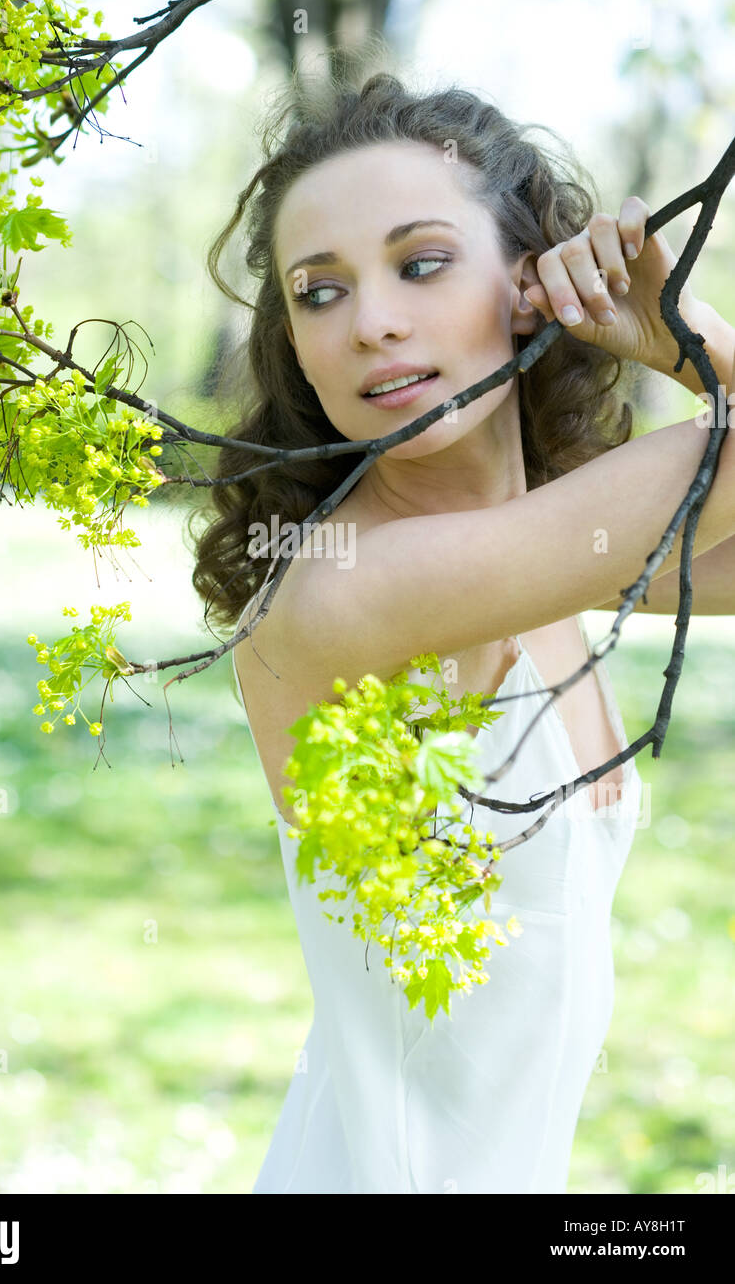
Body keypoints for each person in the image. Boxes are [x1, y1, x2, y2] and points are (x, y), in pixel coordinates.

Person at [189, 65, 735, 1193]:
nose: (372, 321)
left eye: (421, 263)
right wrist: (679, 333)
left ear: (532, 285)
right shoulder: (342, 592)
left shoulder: (545, 563)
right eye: (319, 291)